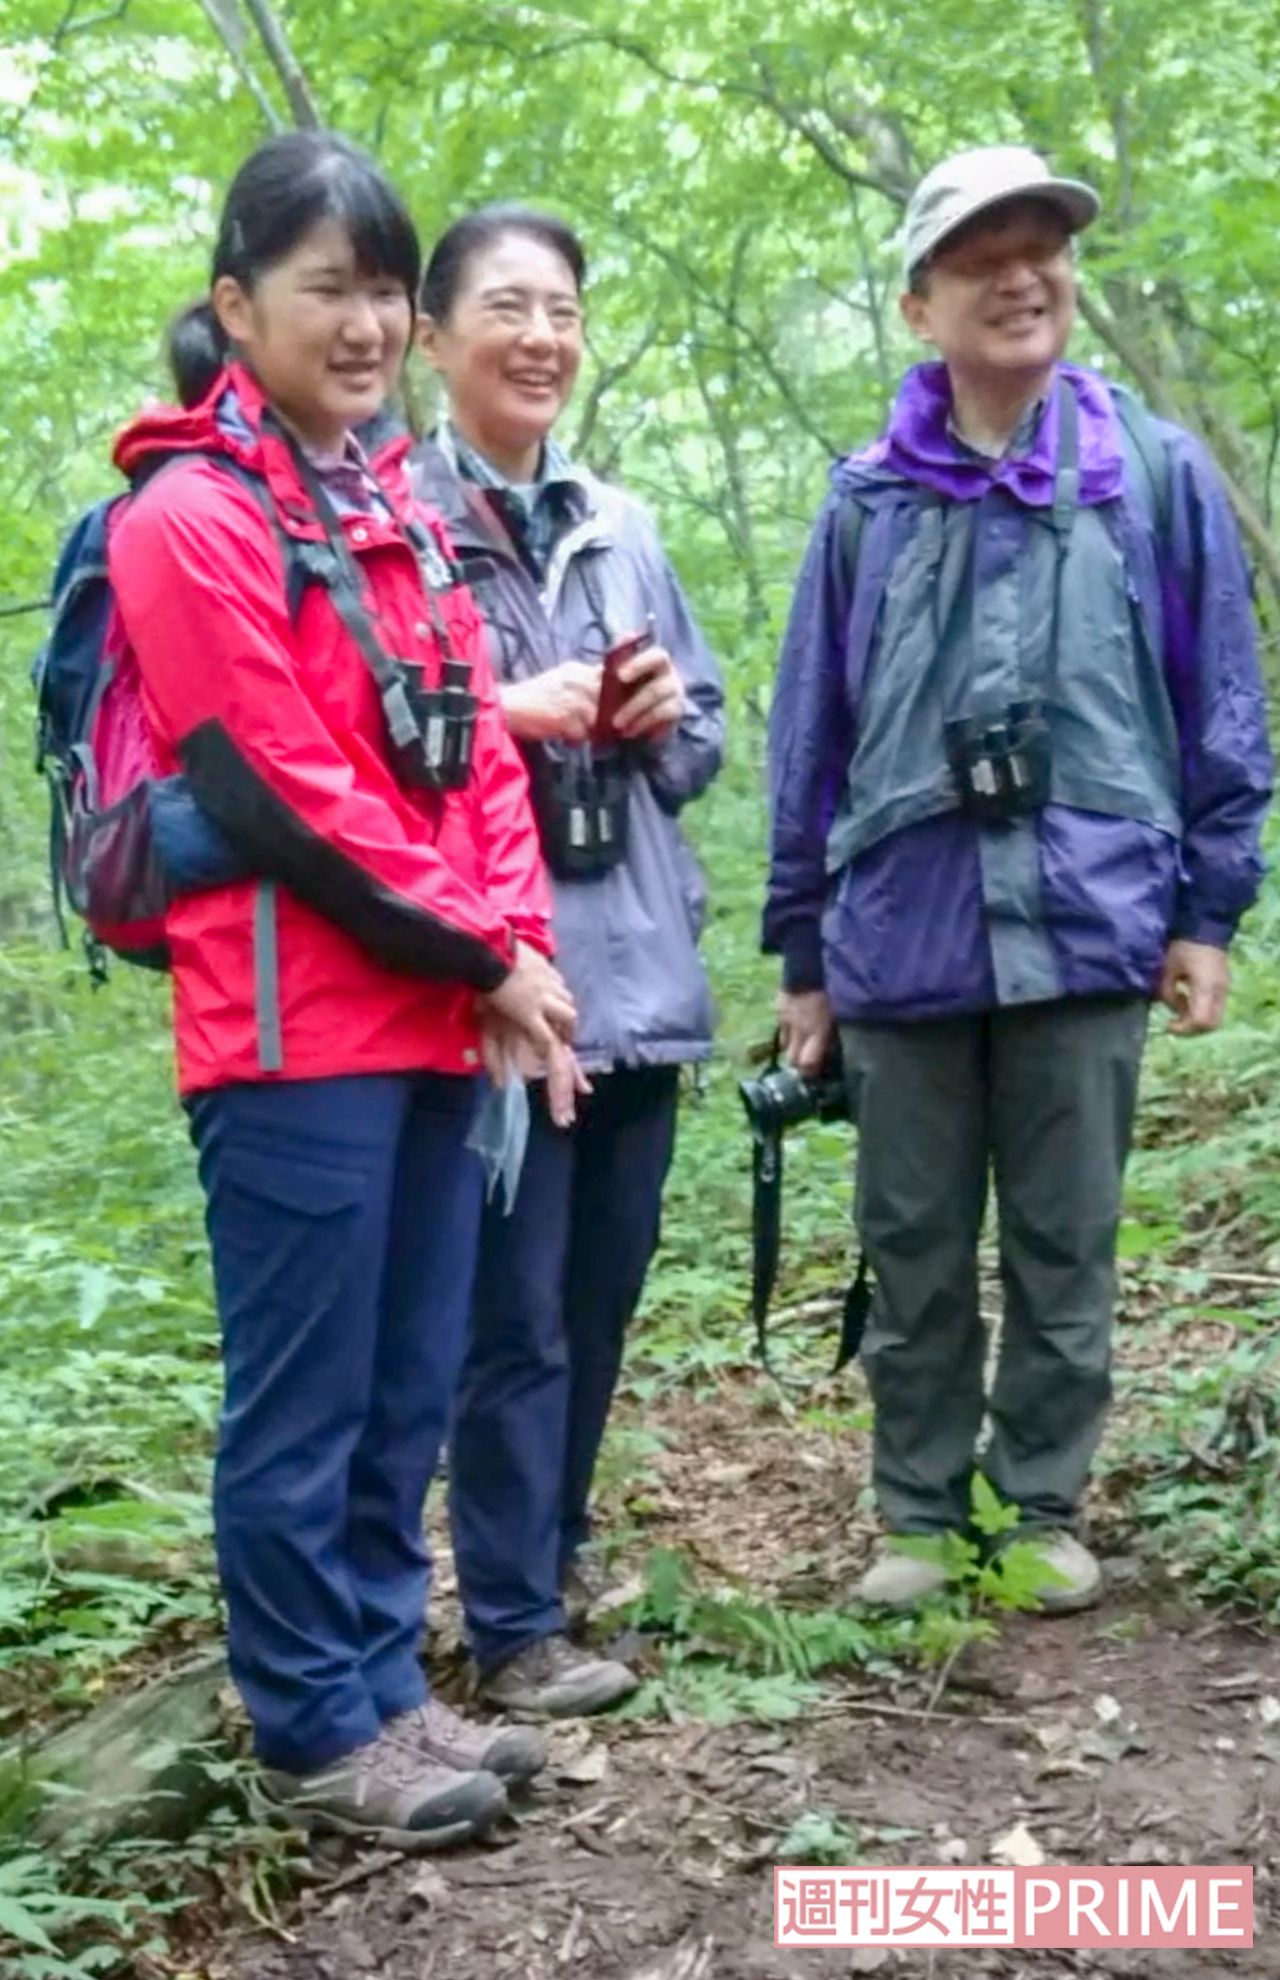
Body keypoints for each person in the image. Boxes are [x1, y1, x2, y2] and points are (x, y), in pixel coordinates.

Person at [109, 132, 580, 1848]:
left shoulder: (397, 512)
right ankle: (314, 1723)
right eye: (332, 285)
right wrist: (490, 949)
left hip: (433, 1020)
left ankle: (388, 1684)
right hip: (287, 1030)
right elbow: (283, 786)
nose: (372, 320)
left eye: (389, 285)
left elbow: (478, 768)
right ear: (238, 307)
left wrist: (514, 956)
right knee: (304, 1401)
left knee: (407, 1382)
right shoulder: (188, 518)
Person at [764, 145, 1271, 1612]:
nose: (1019, 274)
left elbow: (1218, 697)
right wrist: (804, 954)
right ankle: (918, 1517)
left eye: (1041, 245)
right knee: (913, 1243)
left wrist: (1209, 911)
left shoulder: (1152, 474)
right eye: (980, 254)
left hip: (1092, 917)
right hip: (904, 935)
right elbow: (813, 734)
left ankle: (1041, 1504)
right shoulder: (865, 503)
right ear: (921, 304)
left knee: (1067, 1235)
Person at [413, 204, 725, 1715]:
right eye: (507, 308)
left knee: (597, 1298)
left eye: (564, 312)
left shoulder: (625, 523)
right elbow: (370, 755)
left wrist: (664, 719)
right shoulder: (395, 524)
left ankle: (556, 1541)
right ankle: (514, 1621)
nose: (542, 339)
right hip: (498, 986)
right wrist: (499, 712)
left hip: (641, 976)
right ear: (430, 335)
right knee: (513, 1312)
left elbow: (707, 737)